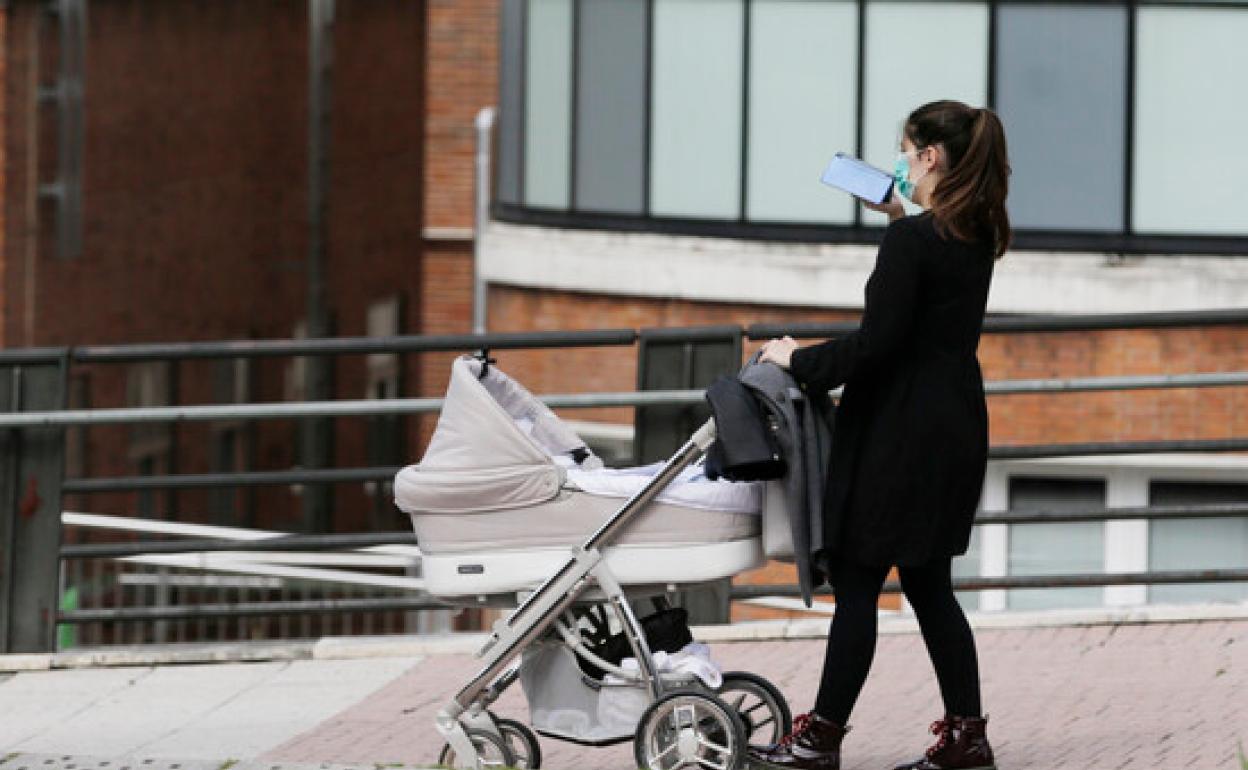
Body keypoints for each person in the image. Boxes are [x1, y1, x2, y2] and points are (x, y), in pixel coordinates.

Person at [750, 99, 1011, 770]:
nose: (896, 158)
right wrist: (898, 216)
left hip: (898, 432)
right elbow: (924, 310)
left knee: (861, 580)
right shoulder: (975, 232)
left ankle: (820, 738)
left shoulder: (914, 242)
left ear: (927, 157)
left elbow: (880, 344)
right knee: (929, 585)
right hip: (952, 426)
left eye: (904, 147)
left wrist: (796, 360)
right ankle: (965, 739)